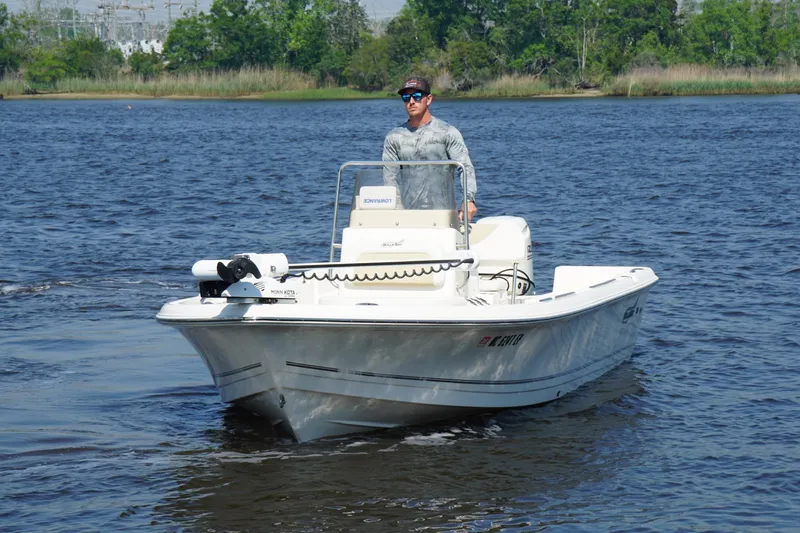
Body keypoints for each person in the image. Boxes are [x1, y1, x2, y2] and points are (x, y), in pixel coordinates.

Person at [382, 77, 478, 222]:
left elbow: (465, 168)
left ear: (429, 99)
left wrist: (468, 199)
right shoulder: (394, 137)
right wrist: (397, 214)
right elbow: (390, 179)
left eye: (417, 96)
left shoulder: (448, 132)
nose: (411, 101)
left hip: (443, 216)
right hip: (407, 217)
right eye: (406, 98)